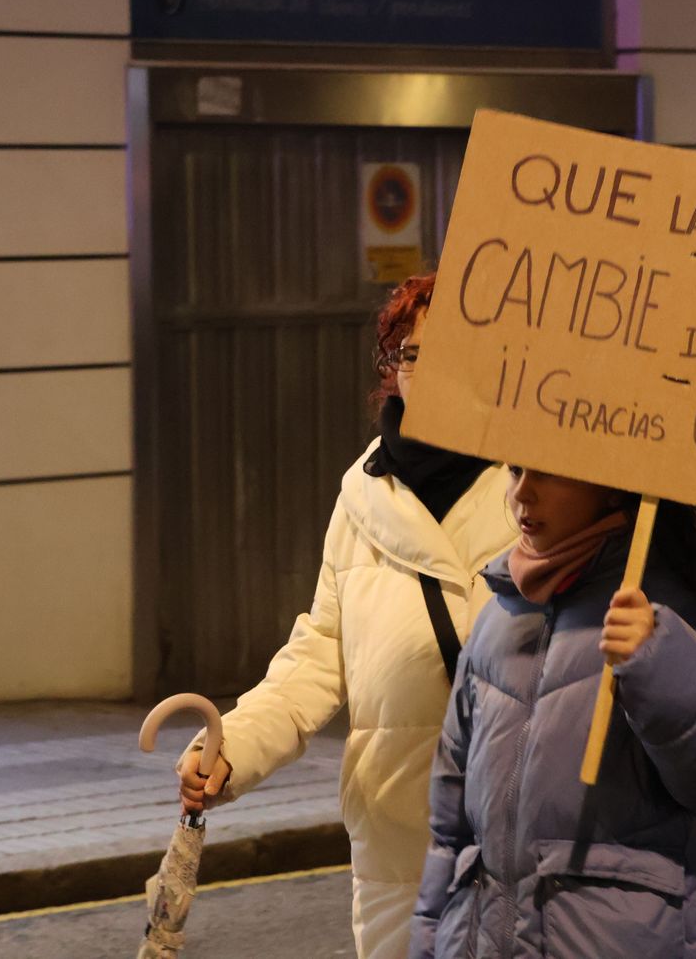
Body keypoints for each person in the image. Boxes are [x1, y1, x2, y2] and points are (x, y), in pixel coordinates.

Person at [175, 272, 516, 959]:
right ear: (393, 369)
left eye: (451, 348)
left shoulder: (531, 486)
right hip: (397, 849)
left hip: (513, 832)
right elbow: (316, 656)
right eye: (412, 353)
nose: (428, 368)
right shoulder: (362, 500)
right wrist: (230, 749)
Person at [410, 471, 696, 959]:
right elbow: (451, 830)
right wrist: (429, 944)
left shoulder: (680, 601)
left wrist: (657, 661)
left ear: (610, 483)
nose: (522, 493)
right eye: (514, 469)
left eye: (545, 473)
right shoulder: (500, 617)